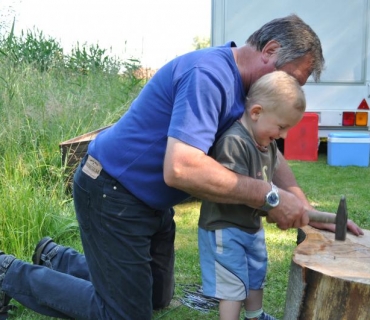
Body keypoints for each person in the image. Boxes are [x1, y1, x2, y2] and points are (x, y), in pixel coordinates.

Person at [0, 14, 363, 320]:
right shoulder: (209, 75)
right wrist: (269, 197)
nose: (291, 89)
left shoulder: (249, 91)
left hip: (149, 204)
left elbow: (268, 152)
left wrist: (301, 203)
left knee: (156, 298)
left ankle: (54, 256)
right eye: (293, 78)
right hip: (112, 192)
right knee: (123, 313)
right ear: (269, 51)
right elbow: (182, 169)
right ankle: (8, 273)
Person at [198, 70, 306, 320]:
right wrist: (273, 206)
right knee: (233, 283)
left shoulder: (267, 144)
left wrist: (294, 205)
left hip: (250, 227)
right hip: (224, 228)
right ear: (256, 113)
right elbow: (233, 188)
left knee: (256, 273)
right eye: (281, 126)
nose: (284, 135)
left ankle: (255, 315)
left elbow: (273, 180)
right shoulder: (234, 142)